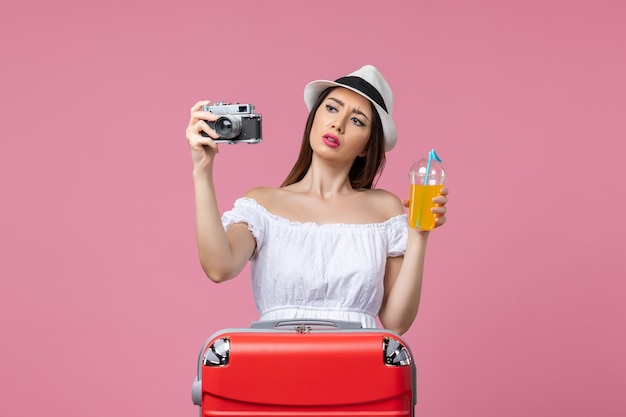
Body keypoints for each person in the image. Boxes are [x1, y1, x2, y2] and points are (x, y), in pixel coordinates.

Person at [185, 65, 448, 335]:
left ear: (367, 146)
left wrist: (418, 235)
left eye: (357, 120)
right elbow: (219, 267)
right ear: (314, 117)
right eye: (332, 108)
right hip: (277, 367)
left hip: (358, 369)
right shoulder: (263, 205)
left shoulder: (384, 209)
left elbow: (397, 321)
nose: (338, 124)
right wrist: (202, 171)